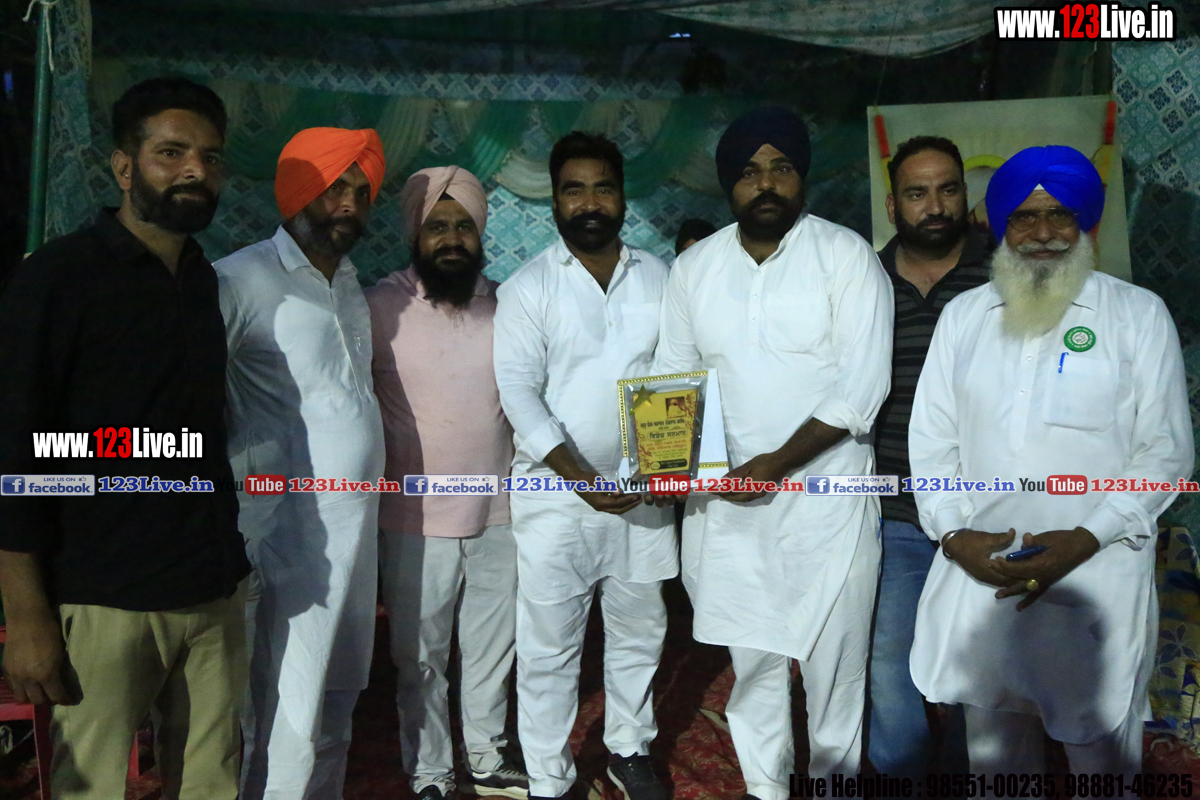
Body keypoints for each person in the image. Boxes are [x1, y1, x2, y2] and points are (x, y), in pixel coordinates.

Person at [0, 77, 250, 800]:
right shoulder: (57, 279)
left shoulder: (203, 282)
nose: (195, 169)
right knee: (93, 789)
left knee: (212, 786)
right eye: (172, 152)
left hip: (212, 592)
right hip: (104, 598)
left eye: (210, 156)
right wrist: (26, 616)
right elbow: (16, 455)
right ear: (123, 166)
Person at [909, 145, 1193, 774]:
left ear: (1085, 221)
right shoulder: (963, 318)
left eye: (1060, 215)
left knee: (1102, 765)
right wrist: (954, 535)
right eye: (1024, 217)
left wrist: (1085, 539)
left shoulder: (1137, 315)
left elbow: (1166, 453)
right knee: (995, 764)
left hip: (1094, 582)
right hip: (985, 577)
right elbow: (932, 443)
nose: (1043, 233)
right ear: (1001, 226)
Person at [654, 106, 893, 796]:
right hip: (730, 514)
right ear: (728, 184)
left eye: (781, 168)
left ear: (802, 177)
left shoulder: (845, 256)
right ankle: (766, 789)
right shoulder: (695, 268)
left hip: (829, 513)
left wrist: (778, 464)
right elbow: (672, 380)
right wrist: (667, 469)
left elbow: (862, 388)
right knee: (755, 675)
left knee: (835, 681)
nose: (766, 184)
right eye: (749, 172)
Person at [493, 132, 676, 800]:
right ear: (555, 200)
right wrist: (582, 480)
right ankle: (549, 776)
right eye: (575, 189)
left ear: (623, 197)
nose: (590, 202)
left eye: (603, 188)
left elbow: (677, 374)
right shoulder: (527, 287)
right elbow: (519, 393)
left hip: (642, 493)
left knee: (641, 630)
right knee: (549, 645)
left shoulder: (660, 278)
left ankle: (629, 747)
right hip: (556, 499)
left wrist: (660, 468)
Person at [215, 127, 387, 799]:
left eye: (361, 191)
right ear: (295, 191)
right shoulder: (241, 278)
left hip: (357, 529)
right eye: (334, 187)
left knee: (339, 691)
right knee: (285, 697)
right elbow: (193, 391)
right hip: (286, 531)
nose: (349, 204)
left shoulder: (347, 282)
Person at [366, 166, 527, 800]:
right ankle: (430, 769)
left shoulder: (509, 306)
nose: (452, 239)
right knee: (419, 657)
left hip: (500, 514)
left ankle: (486, 755)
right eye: (438, 226)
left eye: (464, 226)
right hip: (413, 520)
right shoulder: (380, 307)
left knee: (492, 648)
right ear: (415, 234)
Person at [868, 135, 989, 775]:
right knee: (889, 658)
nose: (934, 206)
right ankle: (901, 778)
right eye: (917, 193)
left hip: (986, 507)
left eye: (948, 189)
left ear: (966, 196)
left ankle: (970, 776)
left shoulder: (1005, 270)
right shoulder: (865, 280)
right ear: (893, 205)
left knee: (980, 663)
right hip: (893, 508)